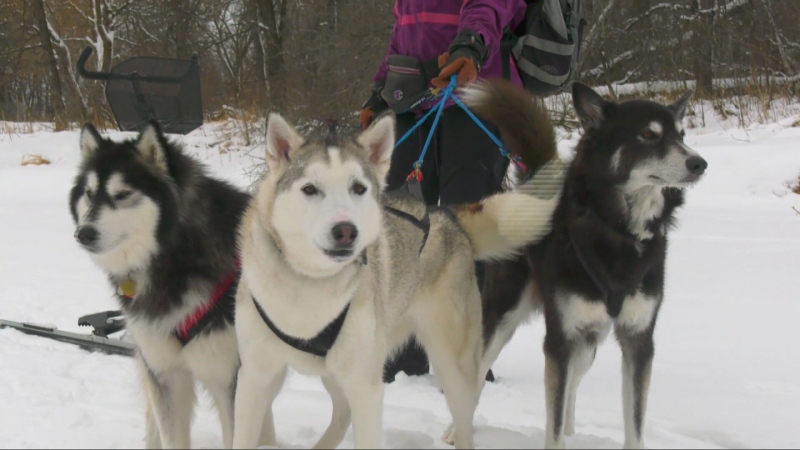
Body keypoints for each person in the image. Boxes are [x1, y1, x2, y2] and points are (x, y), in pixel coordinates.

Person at [359, 0, 528, 383]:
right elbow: (404, 32)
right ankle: (405, 354)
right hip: (415, 103)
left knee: (462, 233)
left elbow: (491, 6)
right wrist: (380, 86)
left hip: (475, 99)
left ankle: (466, 352)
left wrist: (470, 45)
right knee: (403, 224)